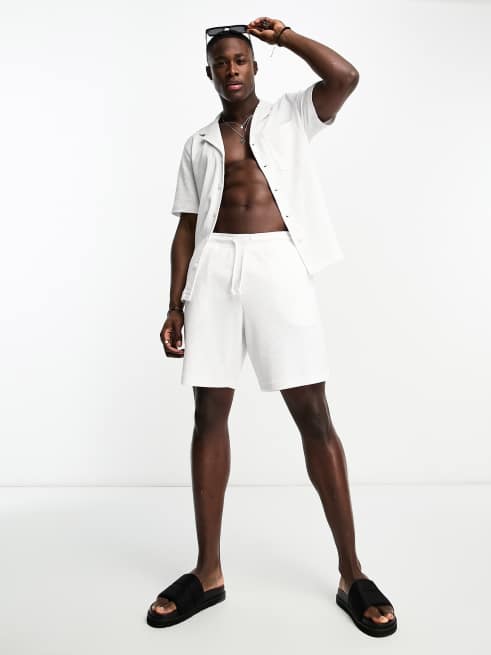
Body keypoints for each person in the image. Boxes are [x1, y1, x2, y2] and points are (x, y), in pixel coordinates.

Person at [147, 17, 397, 637]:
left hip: (279, 264)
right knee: (209, 413)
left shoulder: (292, 114)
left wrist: (285, 36)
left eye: (240, 59)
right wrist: (175, 304)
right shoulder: (198, 143)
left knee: (313, 412)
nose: (231, 69)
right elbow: (186, 227)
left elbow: (345, 76)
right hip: (214, 270)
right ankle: (208, 572)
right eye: (221, 63)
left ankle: (352, 573)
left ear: (255, 66)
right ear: (209, 73)